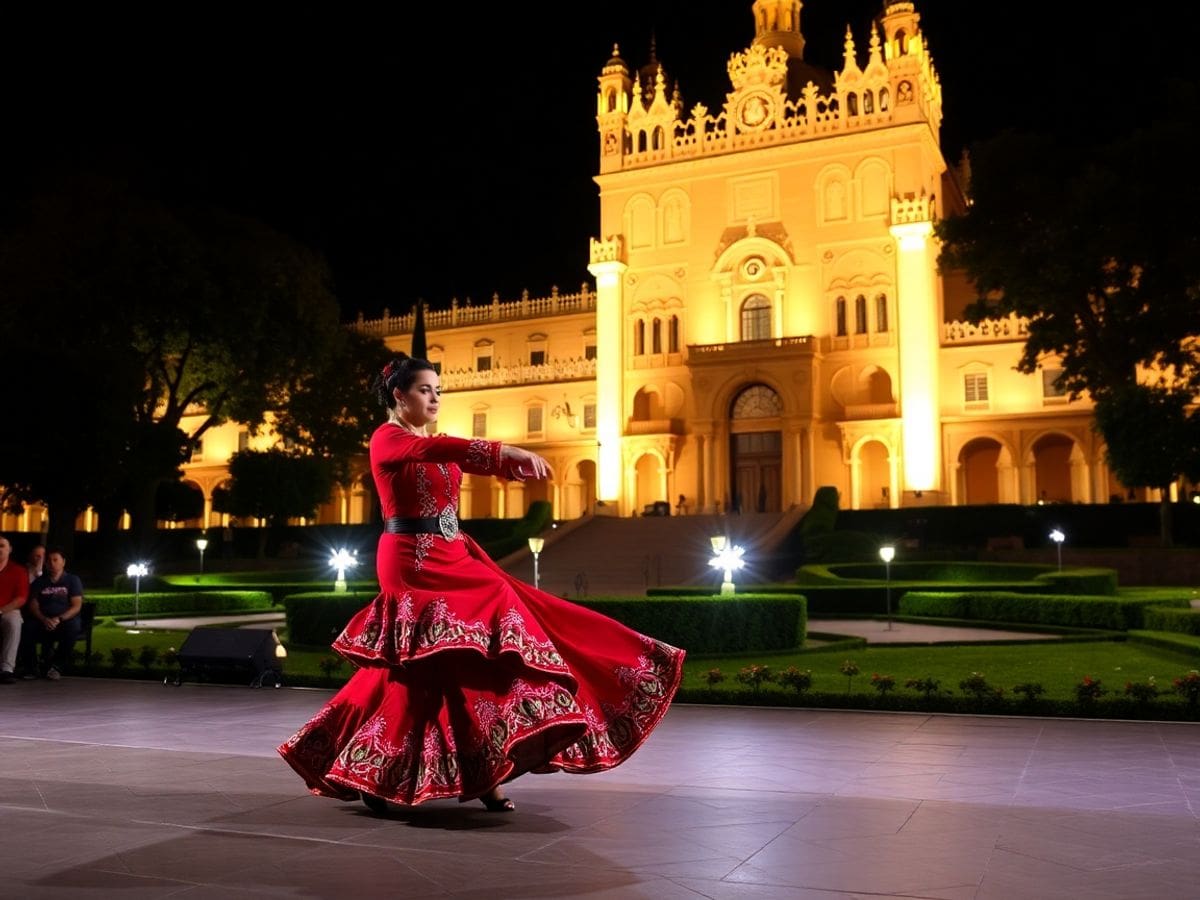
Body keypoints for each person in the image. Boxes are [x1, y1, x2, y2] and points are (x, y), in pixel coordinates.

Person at [278, 354, 685, 812]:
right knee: (465, 637)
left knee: (456, 663)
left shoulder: (430, 441)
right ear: (399, 395)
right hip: (413, 558)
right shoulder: (387, 439)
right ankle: (422, 773)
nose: (434, 398)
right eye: (424, 390)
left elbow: (447, 467)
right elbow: (436, 451)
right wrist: (502, 453)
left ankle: (480, 771)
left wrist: (503, 473)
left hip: (454, 551)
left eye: (437, 391)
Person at [21, 547, 84, 680]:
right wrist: (44, 619)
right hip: (42, 620)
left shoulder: (72, 580)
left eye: (56, 560)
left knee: (72, 628)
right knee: (26, 628)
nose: (52, 563)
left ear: (63, 562)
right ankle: (31, 668)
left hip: (64, 620)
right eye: (49, 560)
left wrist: (58, 619)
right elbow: (33, 604)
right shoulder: (39, 582)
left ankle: (56, 666)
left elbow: (76, 605)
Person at [0, 536, 29, 684]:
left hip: (8, 610)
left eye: (2, 546)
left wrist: (1, 611)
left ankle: (6, 669)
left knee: (13, 621)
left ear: (10, 549)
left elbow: (21, 598)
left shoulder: (18, 571)